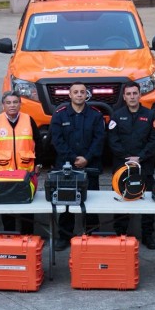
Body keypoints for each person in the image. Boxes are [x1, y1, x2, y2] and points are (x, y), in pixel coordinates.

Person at [50, 82, 105, 251]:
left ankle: (92, 234)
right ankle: (64, 236)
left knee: (91, 203)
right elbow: (57, 141)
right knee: (66, 203)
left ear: (86, 94)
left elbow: (100, 139)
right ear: (70, 95)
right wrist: (74, 158)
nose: (79, 95)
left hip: (90, 166)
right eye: (76, 92)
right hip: (67, 166)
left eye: (82, 92)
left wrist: (87, 158)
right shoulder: (59, 115)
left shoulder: (96, 115)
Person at [108, 81, 155, 249]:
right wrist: (127, 158)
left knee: (147, 203)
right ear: (124, 97)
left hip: (144, 167)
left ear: (140, 95)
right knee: (121, 202)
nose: (132, 97)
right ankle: (121, 235)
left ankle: (147, 235)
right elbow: (112, 140)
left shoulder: (151, 115)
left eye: (135, 93)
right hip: (122, 168)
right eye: (129, 94)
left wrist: (140, 157)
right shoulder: (116, 116)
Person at [0, 91, 42, 235]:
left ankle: (28, 237)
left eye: (15, 102)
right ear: (3, 105)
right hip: (4, 173)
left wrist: (39, 163)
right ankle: (9, 236)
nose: (12, 105)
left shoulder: (29, 120)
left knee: (27, 208)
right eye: (8, 103)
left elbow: (39, 143)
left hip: (26, 173)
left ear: (20, 104)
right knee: (6, 207)